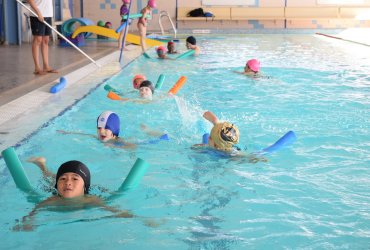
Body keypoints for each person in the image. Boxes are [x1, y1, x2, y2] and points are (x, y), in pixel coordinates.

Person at [13, 160, 135, 231]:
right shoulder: (53, 199)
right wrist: (27, 222)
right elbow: (36, 210)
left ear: (85, 186)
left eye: (75, 179)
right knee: (49, 179)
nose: (68, 182)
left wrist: (131, 217)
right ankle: (42, 166)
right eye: (63, 179)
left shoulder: (90, 200)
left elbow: (112, 210)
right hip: (54, 189)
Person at [57, 111, 136, 149]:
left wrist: (114, 147)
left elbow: (133, 146)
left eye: (106, 128)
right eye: (99, 128)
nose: (101, 131)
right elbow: (87, 135)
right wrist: (67, 133)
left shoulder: (118, 142)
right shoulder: (99, 137)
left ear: (114, 130)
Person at [28, 0, 58, 75]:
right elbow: (30, 1)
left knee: (46, 40)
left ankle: (46, 66)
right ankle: (37, 67)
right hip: (37, 15)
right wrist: (38, 13)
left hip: (48, 14)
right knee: (38, 40)